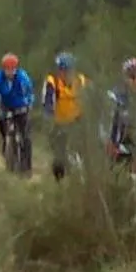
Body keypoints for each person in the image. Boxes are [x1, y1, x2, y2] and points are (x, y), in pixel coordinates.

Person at [41, 52, 91, 180]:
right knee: (59, 154)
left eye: (68, 70)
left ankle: (87, 177)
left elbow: (90, 97)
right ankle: (60, 181)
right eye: (61, 70)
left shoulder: (81, 81)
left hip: (77, 121)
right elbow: (48, 102)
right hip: (59, 123)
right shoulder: (52, 82)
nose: (64, 74)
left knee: (85, 150)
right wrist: (49, 116)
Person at [0, 52, 35, 174]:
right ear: (3, 68)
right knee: (2, 127)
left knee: (25, 137)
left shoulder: (22, 76)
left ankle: (26, 167)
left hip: (21, 106)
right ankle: (7, 150)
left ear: (16, 69)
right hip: (5, 106)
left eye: (12, 69)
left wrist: (29, 104)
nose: (10, 72)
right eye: (7, 69)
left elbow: (29, 91)